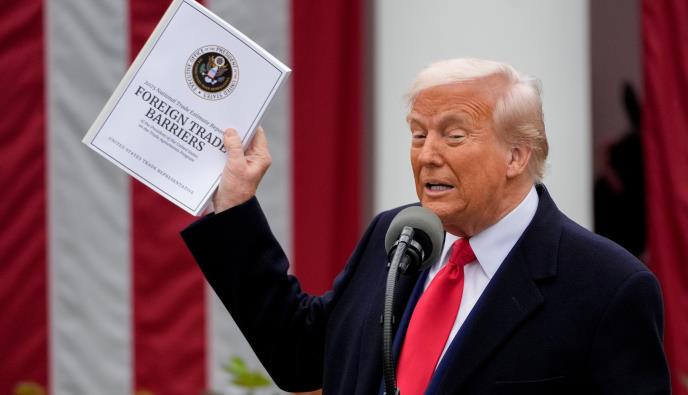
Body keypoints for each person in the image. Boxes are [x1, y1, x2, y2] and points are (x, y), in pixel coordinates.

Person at [182, 58, 670, 394]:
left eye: (453, 136)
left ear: (516, 156)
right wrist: (235, 206)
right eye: (418, 135)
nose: (427, 155)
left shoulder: (608, 287)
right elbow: (300, 356)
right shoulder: (396, 236)